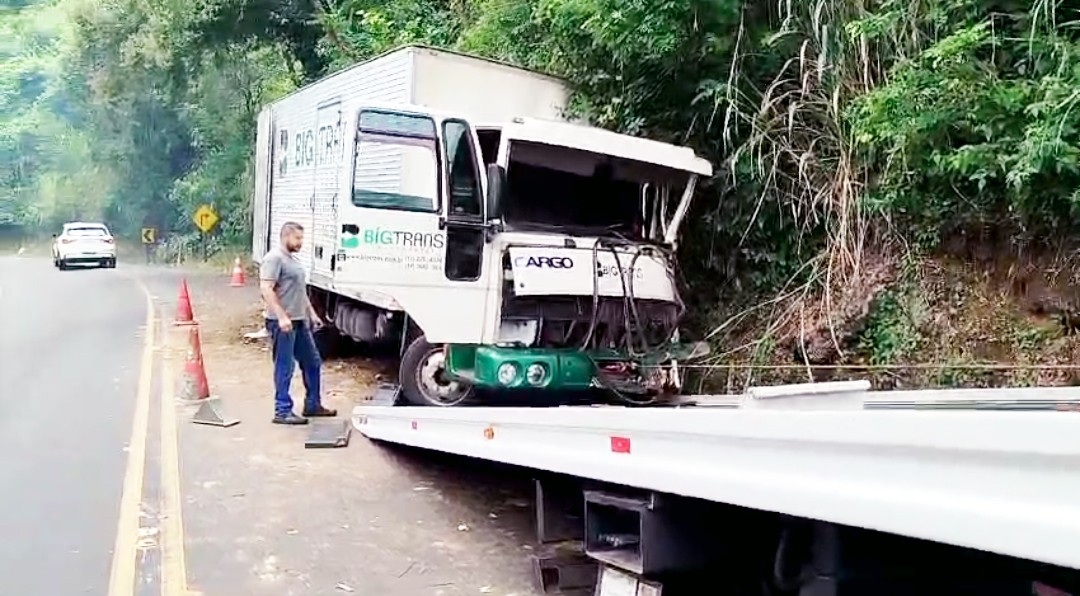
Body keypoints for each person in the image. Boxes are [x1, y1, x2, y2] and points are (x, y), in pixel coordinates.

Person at [260, 221, 337, 424]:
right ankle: (282, 410)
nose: (300, 242)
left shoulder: (293, 260)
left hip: (299, 321)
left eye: (301, 238)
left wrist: (311, 314)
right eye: (297, 238)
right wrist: (282, 316)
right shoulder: (274, 259)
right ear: (286, 236)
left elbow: (300, 292)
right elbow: (267, 289)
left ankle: (313, 405)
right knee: (285, 366)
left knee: (312, 362)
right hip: (282, 323)